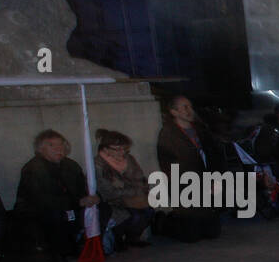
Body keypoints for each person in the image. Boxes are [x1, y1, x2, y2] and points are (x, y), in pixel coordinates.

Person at [13, 129, 96, 257]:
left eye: (61, 144)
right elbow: (40, 199)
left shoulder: (71, 165)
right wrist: (77, 202)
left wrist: (92, 198)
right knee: (56, 216)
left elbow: (82, 188)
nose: (58, 149)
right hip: (39, 211)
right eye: (51, 145)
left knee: (100, 208)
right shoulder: (33, 169)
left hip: (70, 206)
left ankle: (91, 246)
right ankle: (60, 252)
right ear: (41, 149)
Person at [154, 95, 222, 241]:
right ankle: (164, 223)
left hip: (204, 180)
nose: (189, 111)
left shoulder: (201, 130)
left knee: (211, 232)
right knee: (190, 235)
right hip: (186, 184)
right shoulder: (169, 134)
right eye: (184, 107)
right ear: (174, 112)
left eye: (190, 107)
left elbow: (213, 155)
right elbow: (171, 163)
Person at [94, 129, 155, 250]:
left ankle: (133, 237)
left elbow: (141, 179)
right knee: (131, 215)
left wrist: (123, 185)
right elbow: (108, 191)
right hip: (112, 202)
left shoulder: (129, 160)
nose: (122, 153)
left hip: (134, 197)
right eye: (118, 149)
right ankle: (118, 239)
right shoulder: (98, 165)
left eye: (124, 149)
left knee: (148, 212)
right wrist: (133, 189)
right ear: (106, 149)